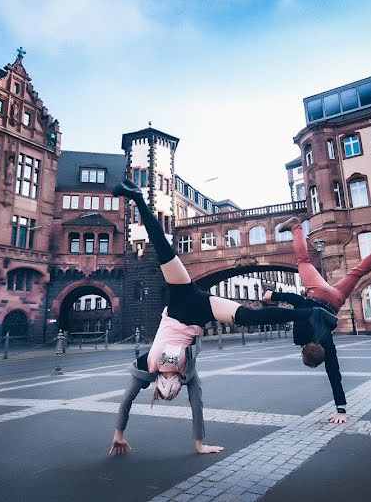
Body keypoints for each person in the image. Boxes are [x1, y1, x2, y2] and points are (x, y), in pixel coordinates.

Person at [109, 179, 337, 457]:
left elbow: (132, 399)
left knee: (162, 249)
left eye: (168, 382)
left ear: (160, 383)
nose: (171, 378)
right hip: (196, 308)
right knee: (251, 316)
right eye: (174, 382)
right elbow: (190, 406)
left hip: (186, 304)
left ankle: (138, 197)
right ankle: (312, 311)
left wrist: (120, 434)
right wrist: (198, 444)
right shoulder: (177, 370)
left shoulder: (161, 366)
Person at [276, 215, 371, 312]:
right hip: (319, 297)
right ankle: (296, 226)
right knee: (303, 261)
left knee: (357, 272)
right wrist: (274, 296)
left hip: (337, 300)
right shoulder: (308, 335)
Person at [261, 289, 348, 423]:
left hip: (333, 300)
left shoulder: (327, 344)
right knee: (304, 266)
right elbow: (297, 300)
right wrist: (272, 295)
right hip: (316, 291)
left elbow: (334, 375)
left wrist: (341, 410)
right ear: (303, 350)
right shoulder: (301, 335)